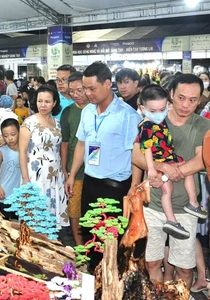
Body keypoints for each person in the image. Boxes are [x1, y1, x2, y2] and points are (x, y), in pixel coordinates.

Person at [132, 73, 210, 291]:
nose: (186, 105)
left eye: (193, 100)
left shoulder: (203, 125)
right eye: (182, 97)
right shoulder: (154, 117)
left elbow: (201, 160)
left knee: (185, 268)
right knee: (152, 262)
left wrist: (167, 173)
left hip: (185, 208)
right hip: (154, 205)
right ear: (171, 95)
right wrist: (162, 165)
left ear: (200, 100)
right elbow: (136, 156)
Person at [65, 62, 141, 270]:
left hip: (115, 187)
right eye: (85, 88)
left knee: (112, 241)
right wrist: (72, 175)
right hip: (91, 183)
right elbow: (82, 143)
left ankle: (113, 282)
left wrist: (134, 185)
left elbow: (135, 154)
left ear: (107, 84)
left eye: (92, 88)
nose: (87, 93)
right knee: (91, 235)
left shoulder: (127, 115)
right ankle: (94, 278)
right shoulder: (88, 112)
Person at [137, 84, 207, 239]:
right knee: (167, 190)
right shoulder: (146, 126)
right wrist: (155, 169)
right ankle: (171, 220)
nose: (185, 104)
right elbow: (143, 150)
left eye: (162, 110)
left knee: (187, 171)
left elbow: (200, 160)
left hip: (170, 159)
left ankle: (193, 203)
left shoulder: (162, 121)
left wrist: (172, 168)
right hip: (159, 167)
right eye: (153, 111)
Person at [19, 85, 69, 229]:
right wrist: (25, 179)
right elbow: (22, 152)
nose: (43, 105)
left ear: (54, 103)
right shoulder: (29, 123)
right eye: (40, 101)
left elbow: (59, 149)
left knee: (51, 217)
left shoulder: (58, 124)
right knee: (35, 217)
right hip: (35, 175)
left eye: (47, 101)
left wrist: (64, 172)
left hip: (55, 175)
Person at [60, 71, 88, 246]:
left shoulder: (95, 109)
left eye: (80, 90)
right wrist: (64, 168)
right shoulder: (68, 112)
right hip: (74, 170)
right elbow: (65, 142)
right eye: (72, 91)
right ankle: (79, 245)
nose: (76, 95)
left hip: (93, 170)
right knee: (74, 208)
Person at [0, 118, 21, 220]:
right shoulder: (2, 151)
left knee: (17, 222)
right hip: (5, 193)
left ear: (19, 132)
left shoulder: (25, 150)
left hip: (19, 194)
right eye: (6, 136)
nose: (10, 138)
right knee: (4, 221)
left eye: (13, 134)